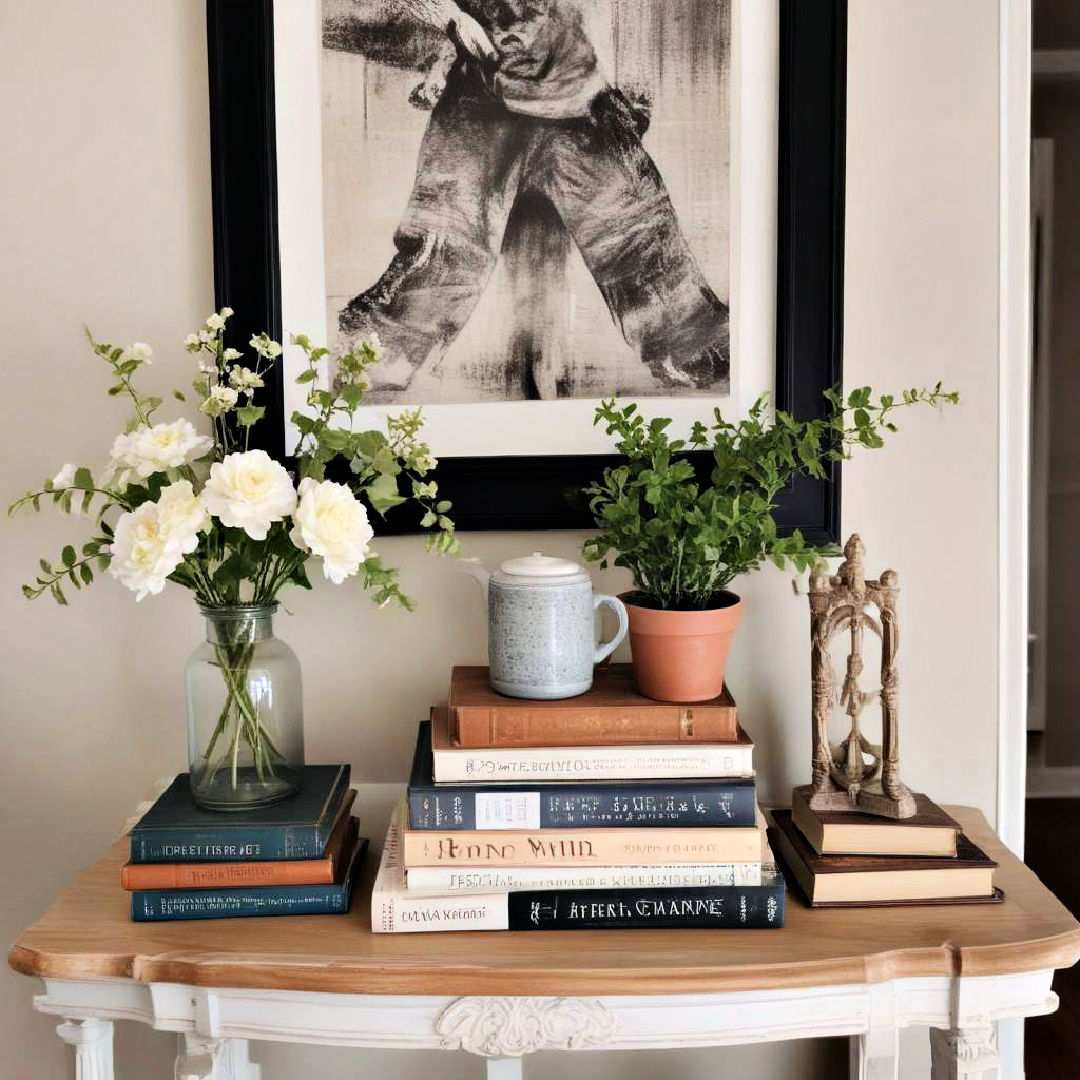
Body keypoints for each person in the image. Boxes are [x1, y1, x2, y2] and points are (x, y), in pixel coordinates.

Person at [337, 0, 729, 394]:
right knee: (449, 242)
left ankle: (691, 342)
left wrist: (629, 90)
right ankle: (384, 349)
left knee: (633, 228)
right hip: (482, 92)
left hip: (577, 97)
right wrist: (449, 28)